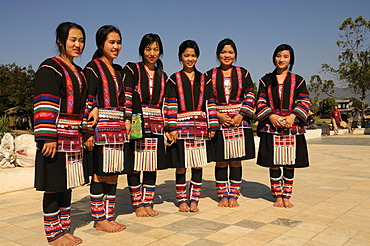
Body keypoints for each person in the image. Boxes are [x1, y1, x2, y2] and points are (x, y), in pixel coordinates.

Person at [34, 22, 95, 245]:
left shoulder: (80, 73)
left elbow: (87, 104)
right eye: (73, 40)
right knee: (53, 186)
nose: (78, 45)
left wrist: (87, 132)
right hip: (56, 137)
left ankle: (64, 228)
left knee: (67, 184)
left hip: (74, 137)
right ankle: (53, 234)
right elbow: (45, 102)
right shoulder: (50, 68)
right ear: (61, 41)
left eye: (81, 40)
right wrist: (48, 136)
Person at [84, 25, 131, 233]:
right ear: (101, 44)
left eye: (118, 42)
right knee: (99, 174)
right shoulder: (92, 68)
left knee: (113, 173)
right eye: (111, 42)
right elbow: (87, 99)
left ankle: (109, 216)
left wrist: (127, 119)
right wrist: (87, 131)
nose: (116, 46)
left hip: (118, 129)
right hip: (100, 129)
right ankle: (98, 218)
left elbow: (125, 100)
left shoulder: (119, 71)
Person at [164, 40, 218, 212]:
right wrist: (171, 127)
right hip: (181, 128)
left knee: (197, 165)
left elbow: (210, 103)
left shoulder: (205, 79)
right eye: (186, 55)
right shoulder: (174, 79)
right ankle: (181, 200)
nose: (190, 59)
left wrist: (213, 125)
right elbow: (170, 104)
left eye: (193, 55)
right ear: (181, 56)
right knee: (181, 165)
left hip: (200, 129)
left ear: (197, 57)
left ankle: (194, 200)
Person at [256, 44, 310, 208]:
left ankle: (286, 195)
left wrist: (294, 115)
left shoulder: (298, 80)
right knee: (274, 162)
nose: (281, 59)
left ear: (291, 59)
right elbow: (260, 101)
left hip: (291, 127)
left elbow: (304, 101)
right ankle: (277, 195)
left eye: (285, 56)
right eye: (279, 56)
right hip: (272, 127)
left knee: (289, 162)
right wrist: (270, 115)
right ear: (274, 58)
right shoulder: (265, 80)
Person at [205, 38, 256, 208]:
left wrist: (241, 114)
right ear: (218, 54)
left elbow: (250, 95)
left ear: (235, 55)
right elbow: (205, 99)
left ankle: (233, 195)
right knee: (221, 160)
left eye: (230, 52)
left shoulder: (243, 73)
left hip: (238, 123)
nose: (227, 55)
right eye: (223, 52)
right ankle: (222, 195)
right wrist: (217, 115)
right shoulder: (209, 75)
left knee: (235, 161)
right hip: (219, 123)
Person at [123, 33, 167, 217]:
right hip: (136, 123)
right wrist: (126, 119)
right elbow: (125, 96)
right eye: (148, 49)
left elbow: (166, 103)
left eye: (156, 49)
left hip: (156, 124)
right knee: (135, 163)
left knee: (151, 164)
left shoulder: (162, 75)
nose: (152, 53)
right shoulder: (132, 69)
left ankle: (148, 201)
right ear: (142, 50)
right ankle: (137, 204)